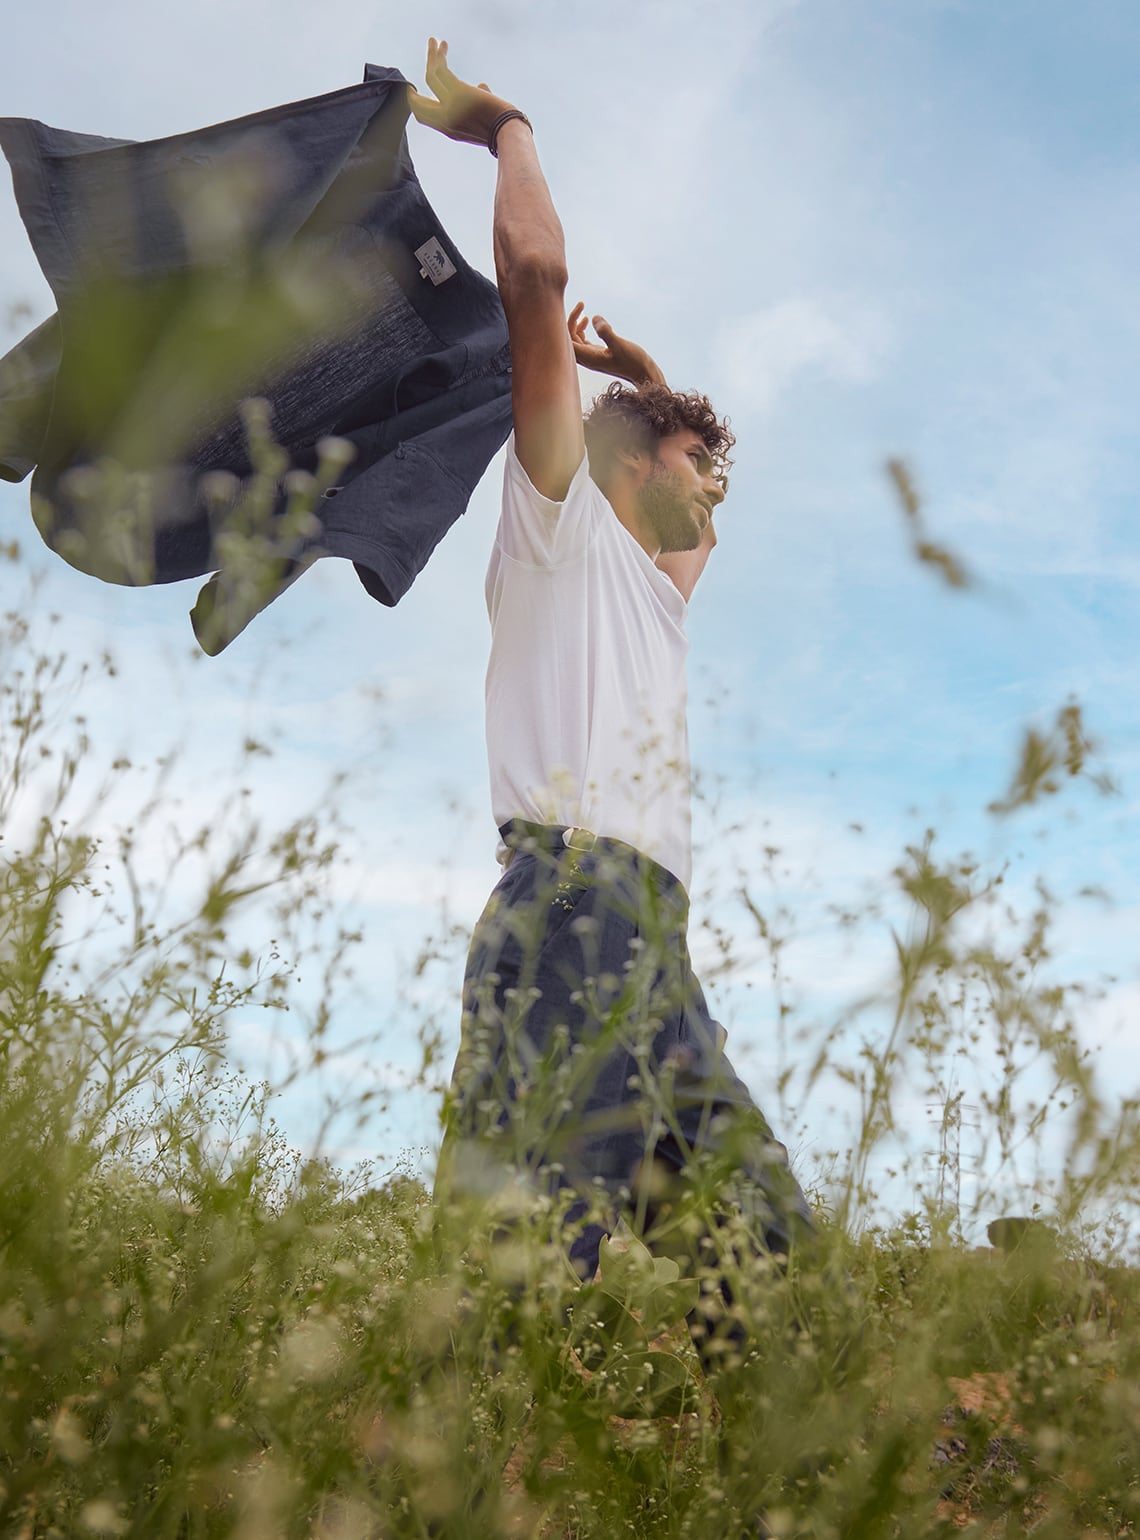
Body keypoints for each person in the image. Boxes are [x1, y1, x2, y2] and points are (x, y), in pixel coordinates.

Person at [409, 41, 813, 1317]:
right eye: (700, 464)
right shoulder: (557, 518)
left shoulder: (657, 589)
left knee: (766, 1271)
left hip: (659, 956)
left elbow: (704, 526)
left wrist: (646, 383)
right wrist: (507, 125)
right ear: (636, 467)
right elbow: (534, 275)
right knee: (510, 1290)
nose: (714, 489)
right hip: (563, 917)